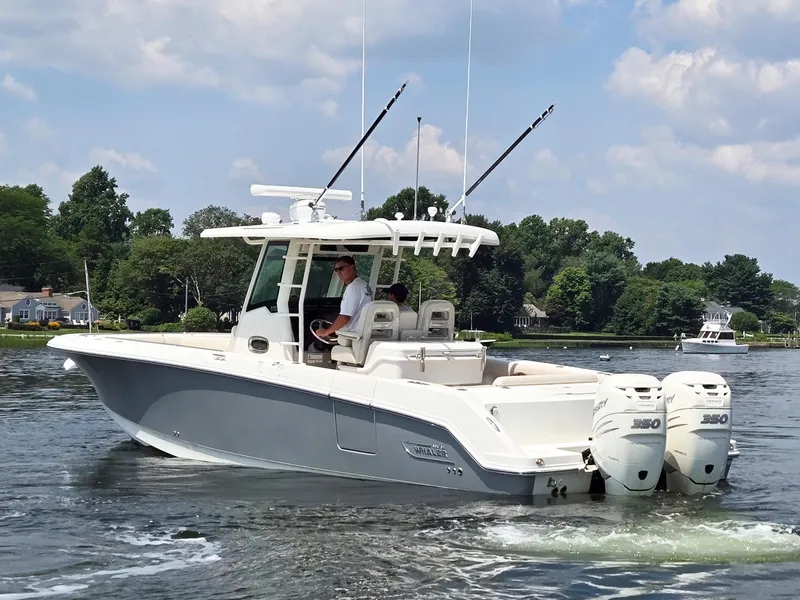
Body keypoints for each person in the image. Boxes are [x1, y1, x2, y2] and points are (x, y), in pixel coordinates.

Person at [315, 255, 372, 339]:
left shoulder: (353, 288)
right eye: (336, 270)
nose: (338, 272)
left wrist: (326, 332)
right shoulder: (363, 285)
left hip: (352, 335)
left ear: (352, 267)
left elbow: (345, 317)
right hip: (362, 332)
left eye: (341, 268)